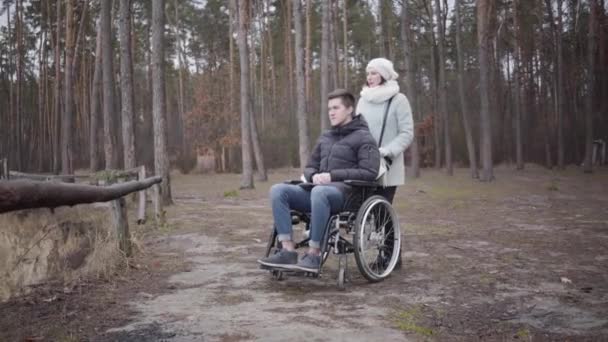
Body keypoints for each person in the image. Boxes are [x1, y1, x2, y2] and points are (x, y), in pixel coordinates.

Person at [257, 89, 380, 273]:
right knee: (278, 190)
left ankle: (314, 254)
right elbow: (310, 166)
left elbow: (370, 172)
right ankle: (287, 251)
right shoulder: (326, 137)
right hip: (317, 191)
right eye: (329, 108)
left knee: (319, 192)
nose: (331, 112)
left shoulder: (364, 137)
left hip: (347, 195)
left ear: (349, 109)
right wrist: (313, 174)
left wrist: (333, 176)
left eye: (336, 108)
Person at [357, 58, 414, 268]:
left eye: (373, 73)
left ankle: (390, 256)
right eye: (368, 73)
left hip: (388, 165)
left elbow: (407, 133)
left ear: (384, 74)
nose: (369, 77)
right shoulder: (363, 100)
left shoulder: (398, 100)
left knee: (381, 210)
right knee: (367, 211)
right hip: (364, 164)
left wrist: (388, 151)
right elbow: (356, 130)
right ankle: (386, 254)